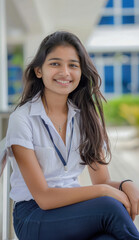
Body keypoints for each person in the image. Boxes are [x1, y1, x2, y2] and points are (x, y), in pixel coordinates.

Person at [6, 31, 139, 240]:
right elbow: (44, 198)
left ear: (81, 72)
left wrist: (125, 185)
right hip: (33, 216)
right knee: (109, 207)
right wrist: (105, 192)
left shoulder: (86, 118)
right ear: (39, 70)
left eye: (73, 65)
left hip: (75, 212)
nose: (65, 72)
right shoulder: (22, 119)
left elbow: (102, 181)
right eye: (55, 64)